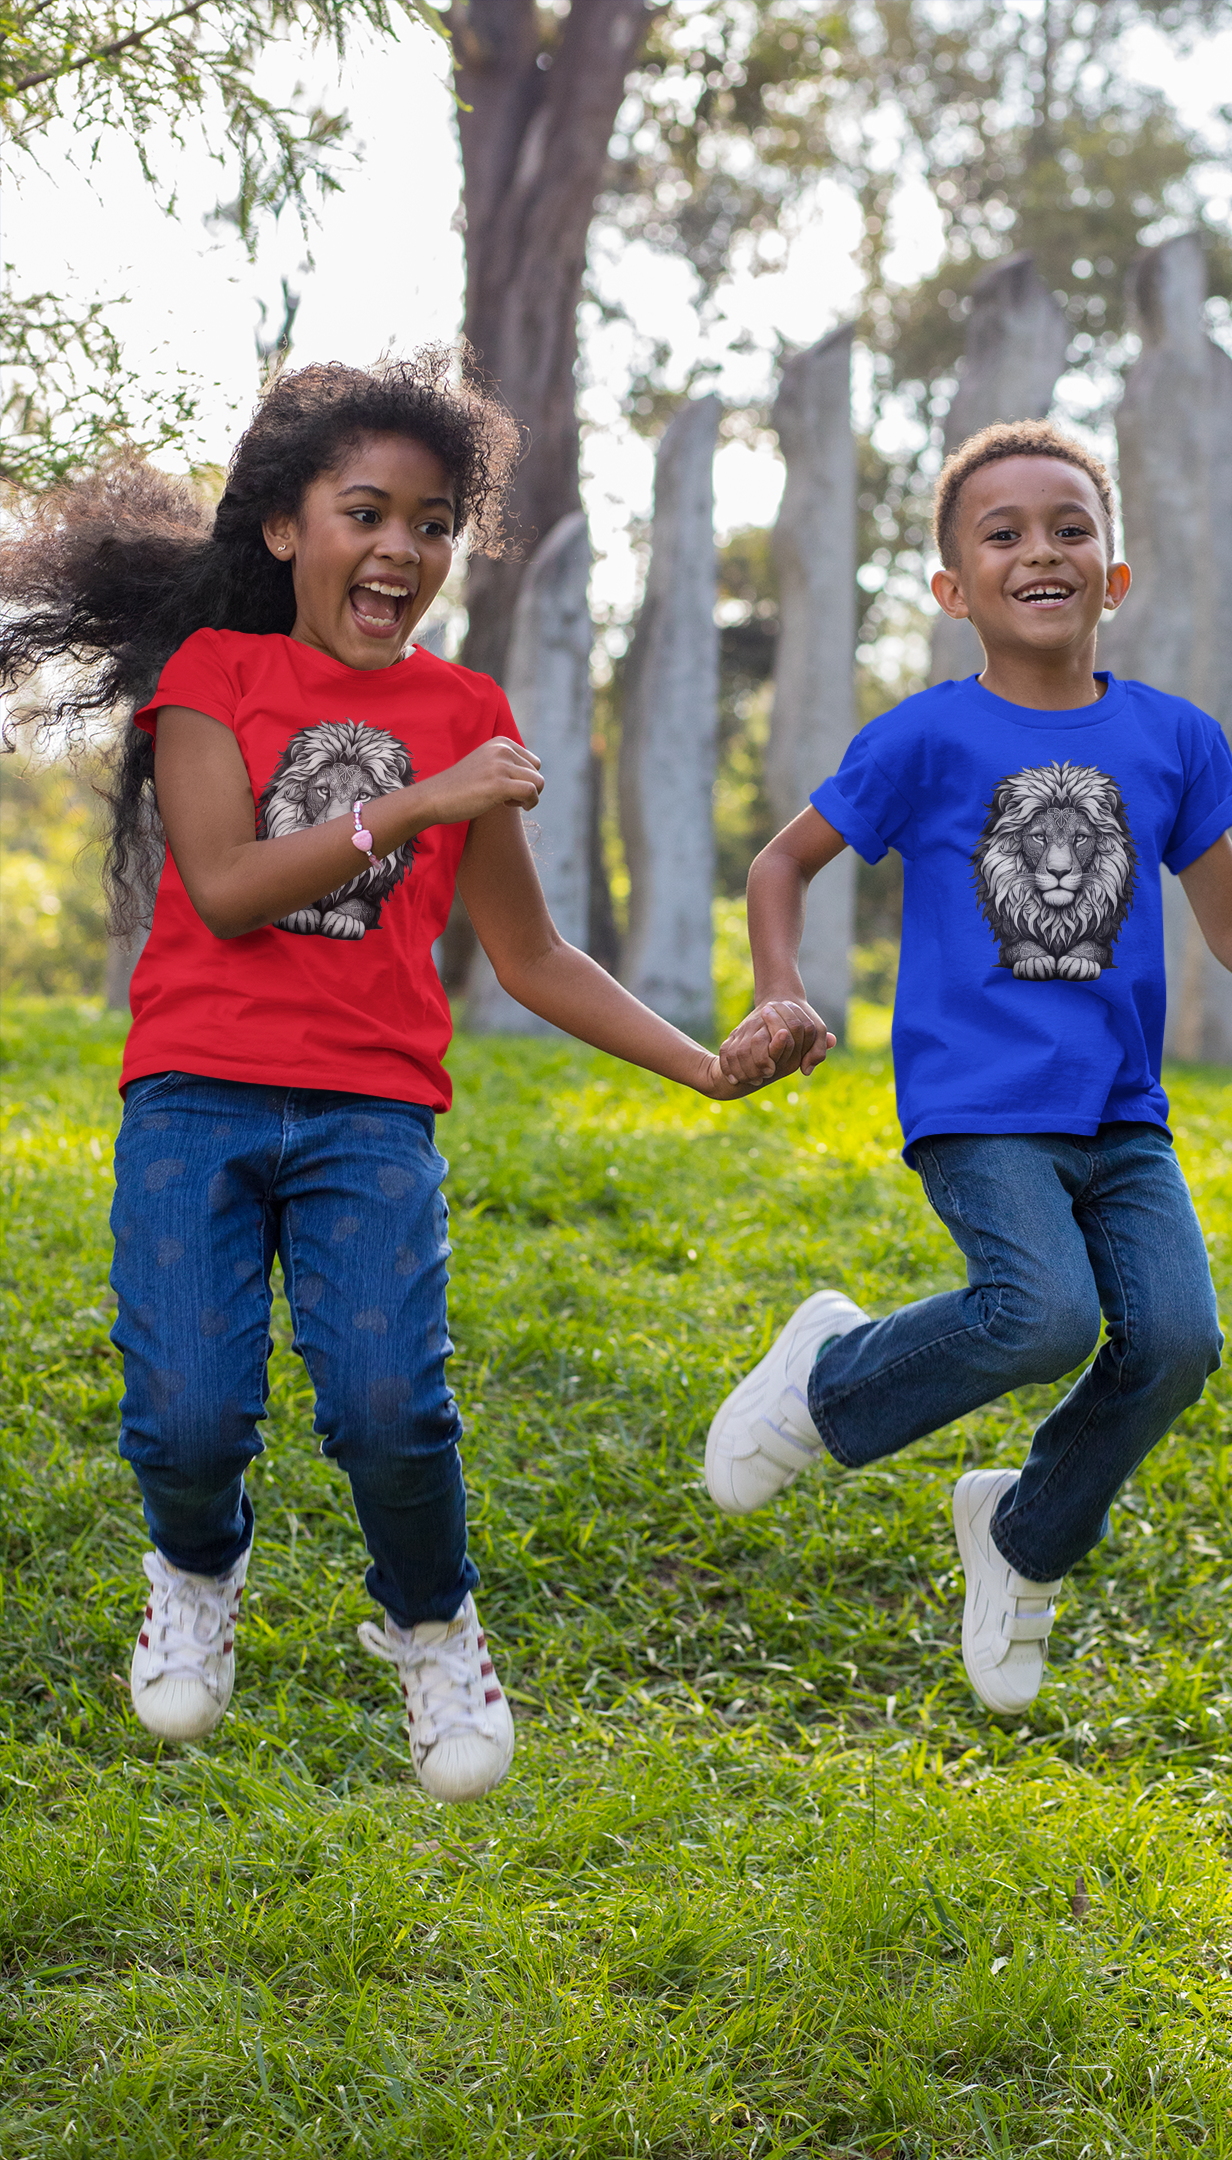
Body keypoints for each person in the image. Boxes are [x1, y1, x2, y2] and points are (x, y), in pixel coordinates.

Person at [0, 351, 818, 1802]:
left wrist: (704, 1068)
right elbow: (231, 884)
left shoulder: (465, 706)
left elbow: (532, 952)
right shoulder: (213, 677)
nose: (401, 549)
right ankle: (194, 1569)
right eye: (366, 512)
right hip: (195, 1091)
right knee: (187, 1415)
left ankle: (434, 1623)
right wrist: (422, 798)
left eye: (432, 523)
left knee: (389, 1408)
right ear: (283, 529)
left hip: (372, 1111)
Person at [709, 416, 1232, 1717]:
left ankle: (1023, 1533)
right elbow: (782, 864)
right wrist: (781, 989)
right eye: (1004, 533)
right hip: (978, 1107)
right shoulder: (921, 741)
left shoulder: (1172, 739)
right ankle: (825, 1379)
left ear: (1114, 574)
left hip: (1120, 1117)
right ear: (953, 588)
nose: (1040, 549)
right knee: (1043, 1315)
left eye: (1070, 529)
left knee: (1175, 1342)